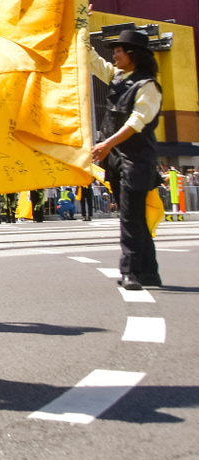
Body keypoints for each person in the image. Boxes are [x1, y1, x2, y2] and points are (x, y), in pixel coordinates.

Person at [90, 28, 163, 290]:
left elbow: (136, 123)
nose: (115, 55)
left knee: (130, 217)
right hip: (118, 159)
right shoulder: (118, 77)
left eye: (119, 51)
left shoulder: (148, 87)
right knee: (133, 216)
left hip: (137, 160)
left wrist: (107, 144)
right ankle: (150, 272)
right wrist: (79, 22)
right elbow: (91, 60)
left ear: (133, 54)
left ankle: (130, 272)